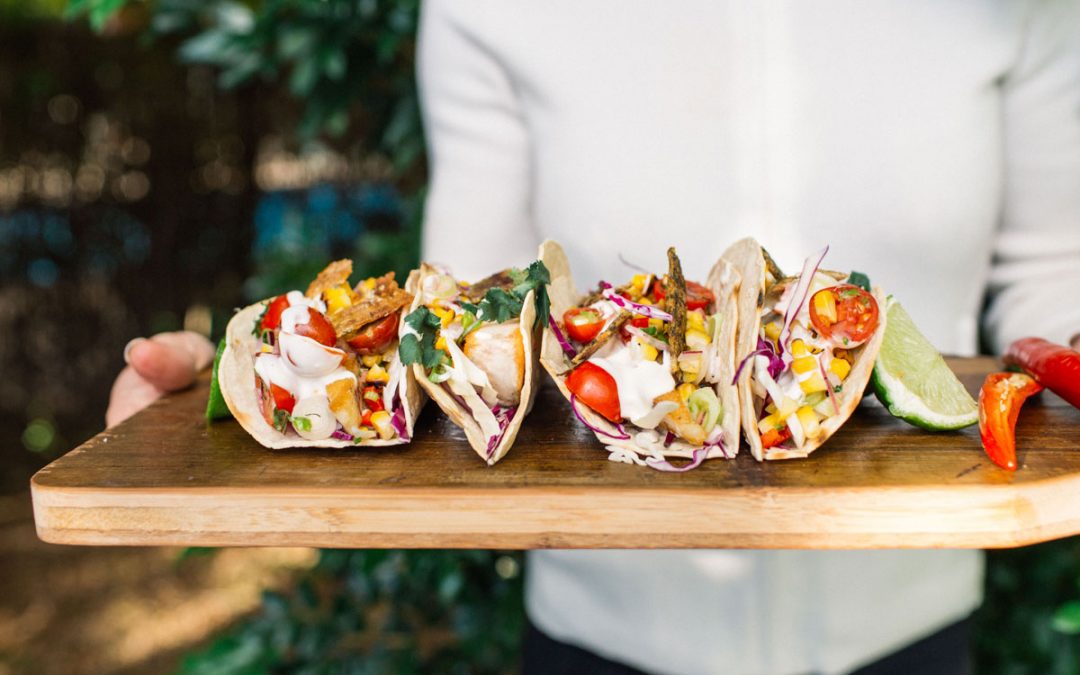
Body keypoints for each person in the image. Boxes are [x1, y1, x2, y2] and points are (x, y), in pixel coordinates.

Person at [109, 1, 1080, 673]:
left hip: (918, 641)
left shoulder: (1015, 7)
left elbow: (1050, 274)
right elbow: (471, 349)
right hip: (592, 651)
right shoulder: (488, 13)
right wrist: (250, 395)